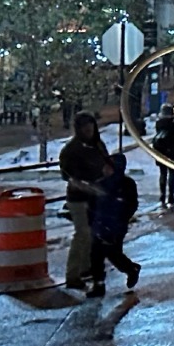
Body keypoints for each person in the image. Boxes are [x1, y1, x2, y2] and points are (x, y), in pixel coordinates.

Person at [58, 112, 110, 289]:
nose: (89, 129)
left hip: (96, 196)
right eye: (84, 126)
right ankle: (72, 275)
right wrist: (83, 185)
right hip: (78, 198)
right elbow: (68, 175)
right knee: (83, 233)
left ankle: (86, 268)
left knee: (93, 234)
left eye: (91, 125)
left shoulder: (97, 145)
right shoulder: (72, 149)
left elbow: (107, 165)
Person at [85, 153, 141, 298]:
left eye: (108, 166)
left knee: (113, 254)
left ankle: (131, 269)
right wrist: (91, 219)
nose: (104, 169)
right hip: (99, 225)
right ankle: (98, 285)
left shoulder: (126, 185)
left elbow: (131, 204)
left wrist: (121, 219)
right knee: (96, 255)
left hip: (116, 227)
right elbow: (92, 204)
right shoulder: (100, 184)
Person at [150, 102, 174, 209]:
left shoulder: (159, 122)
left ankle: (162, 195)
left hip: (161, 151)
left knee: (162, 173)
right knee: (172, 173)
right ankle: (171, 196)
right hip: (173, 150)